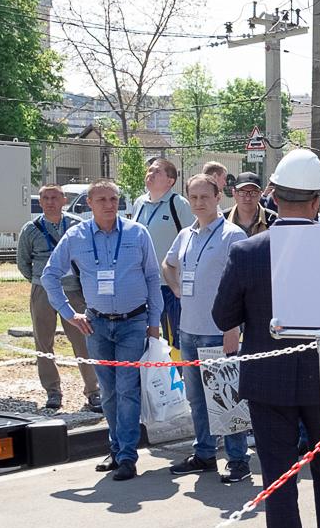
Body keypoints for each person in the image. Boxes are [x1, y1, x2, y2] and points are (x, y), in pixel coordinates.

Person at [212, 150, 320, 528]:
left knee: (278, 477)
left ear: (273, 195)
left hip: (268, 381)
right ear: (317, 201)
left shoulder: (247, 251)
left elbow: (223, 317)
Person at [40, 180, 163, 481]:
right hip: (96, 325)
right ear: (89, 204)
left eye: (114, 199)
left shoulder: (137, 233)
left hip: (133, 322)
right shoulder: (76, 236)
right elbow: (49, 276)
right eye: (102, 200)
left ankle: (127, 457)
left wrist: (155, 323)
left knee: (126, 388)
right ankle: (116, 448)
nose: (109, 205)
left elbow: (152, 277)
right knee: (108, 391)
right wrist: (69, 314)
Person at [162, 175, 250, 482]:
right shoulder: (186, 234)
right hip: (189, 329)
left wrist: (233, 327)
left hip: (219, 330)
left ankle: (238, 460)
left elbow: (242, 285)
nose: (200, 202)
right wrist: (175, 289)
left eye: (205, 197)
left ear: (218, 198)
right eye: (194, 197)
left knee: (227, 398)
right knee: (196, 397)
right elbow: (168, 264)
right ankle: (204, 454)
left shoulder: (232, 235)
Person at [16, 185, 99, 412]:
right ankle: (53, 391)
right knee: (44, 342)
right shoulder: (30, 229)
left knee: (83, 339)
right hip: (42, 290)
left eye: (54, 197)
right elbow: (23, 262)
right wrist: (39, 280)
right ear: (40, 202)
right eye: (45, 198)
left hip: (73, 290)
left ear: (64, 200)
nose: (50, 201)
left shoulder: (77, 225)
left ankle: (93, 390)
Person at [132, 157, 193, 344]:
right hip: (142, 285)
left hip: (169, 287)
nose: (150, 174)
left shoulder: (179, 204)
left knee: (174, 340)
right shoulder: (139, 203)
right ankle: (153, 373)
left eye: (156, 171)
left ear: (170, 181)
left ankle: (178, 373)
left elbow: (192, 241)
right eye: (149, 170)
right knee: (146, 339)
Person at [226, 172, 277, 237]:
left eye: (253, 193)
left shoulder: (272, 220)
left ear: (260, 194)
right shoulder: (223, 219)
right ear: (234, 193)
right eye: (242, 192)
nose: (248, 198)